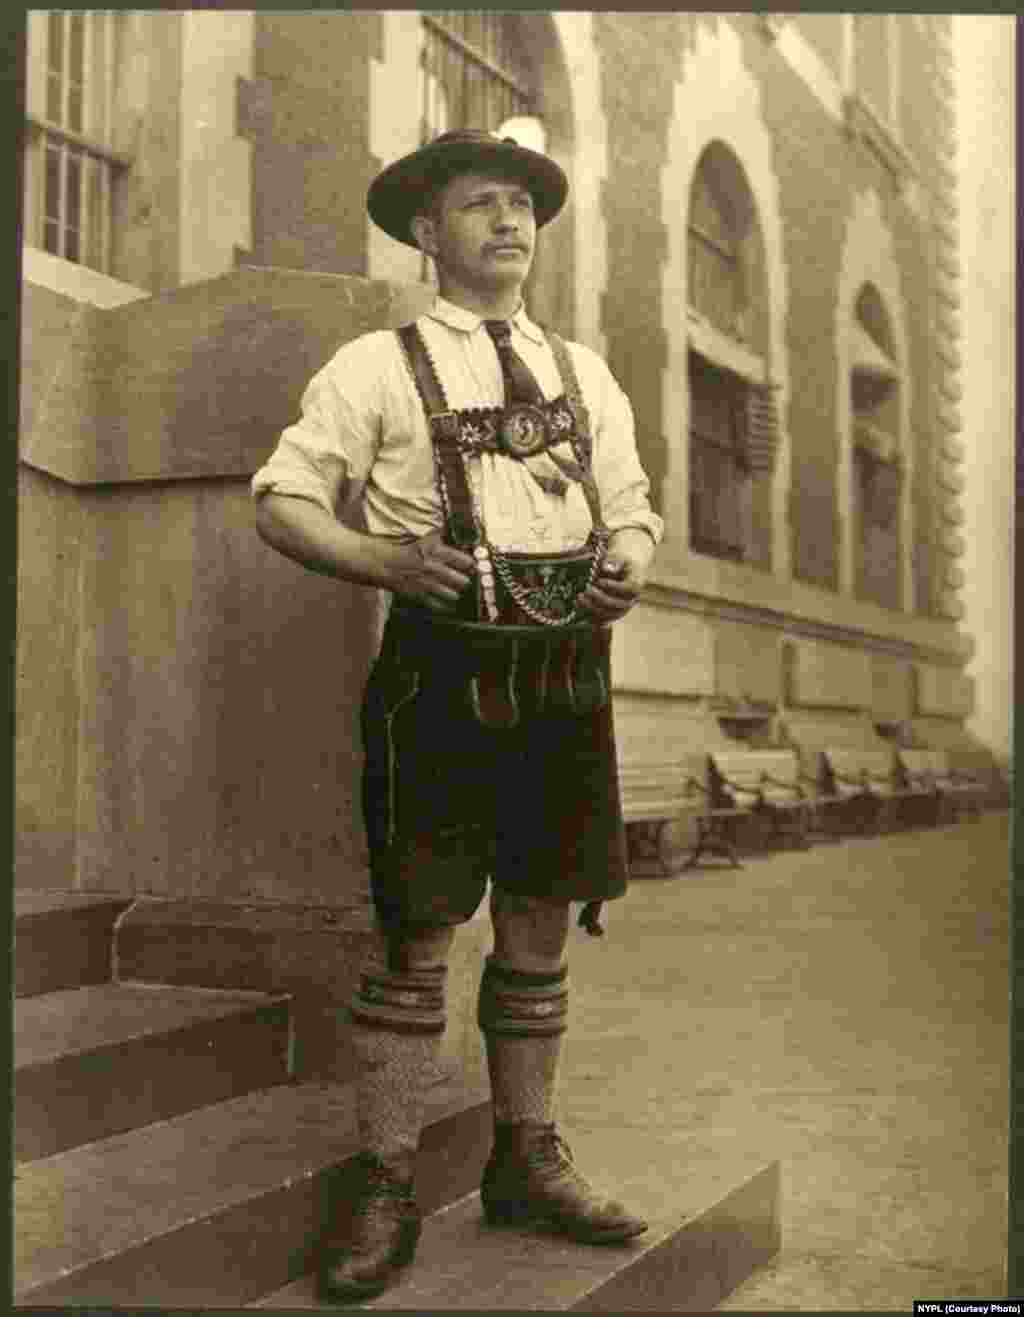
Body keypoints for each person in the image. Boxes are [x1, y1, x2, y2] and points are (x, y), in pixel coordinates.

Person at [251, 129, 664, 1304]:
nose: (508, 224)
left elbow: (631, 506)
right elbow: (280, 499)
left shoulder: (584, 375)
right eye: (480, 206)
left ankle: (526, 1158)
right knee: (416, 932)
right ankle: (382, 1177)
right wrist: (380, 560)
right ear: (428, 234)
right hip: (435, 680)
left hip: (566, 679)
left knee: (537, 924)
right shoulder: (372, 367)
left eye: (522, 207)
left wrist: (627, 554)